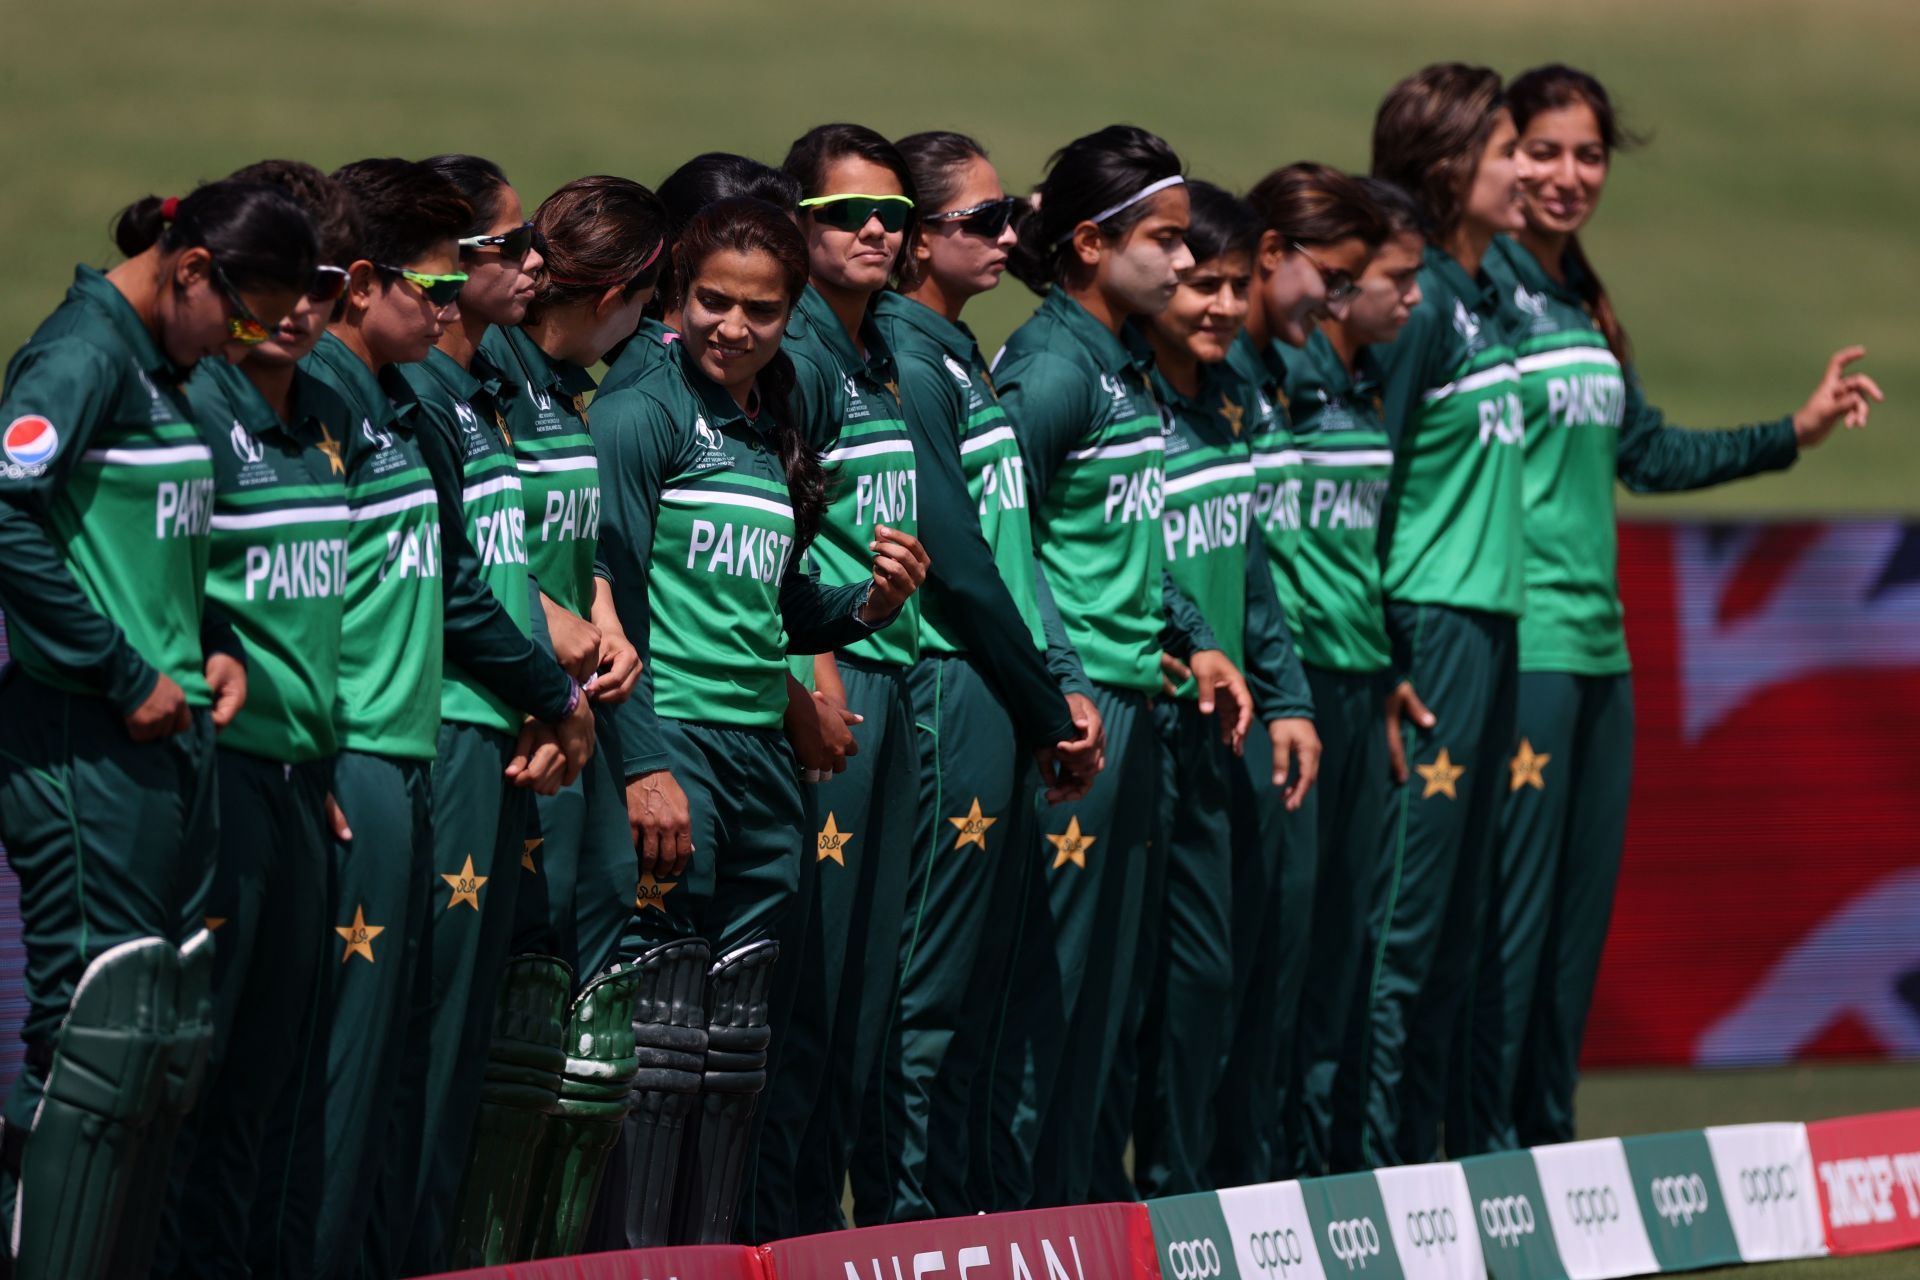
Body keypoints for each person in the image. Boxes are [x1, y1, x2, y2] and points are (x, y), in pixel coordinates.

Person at [1470, 65, 1881, 1154]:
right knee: (1507, 927)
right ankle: (1484, 1161)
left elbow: (1642, 455)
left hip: (1602, 653)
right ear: (1501, 158)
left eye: (1588, 154)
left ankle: (1545, 1148)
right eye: (1543, 150)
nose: (1566, 175)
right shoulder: (1473, 293)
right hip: (1521, 647)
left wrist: (1793, 431)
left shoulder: (1583, 299)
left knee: (1572, 931)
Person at [590, 196, 926, 1246]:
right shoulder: (640, 412)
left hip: (761, 759)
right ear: (676, 294)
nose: (732, 326)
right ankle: (640, 1262)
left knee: (738, 1039)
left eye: (761, 309)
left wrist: (867, 605)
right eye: (712, 302)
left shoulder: (767, 423)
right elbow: (614, 600)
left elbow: (775, 608)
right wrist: (643, 763)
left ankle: (721, 1251)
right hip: (677, 741)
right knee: (664, 1032)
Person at [0, 179, 314, 1279]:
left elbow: (160, 548)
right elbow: (7, 511)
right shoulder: (81, 357)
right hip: (86, 738)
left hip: (166, 740)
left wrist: (213, 635)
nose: (241, 343)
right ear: (191, 270)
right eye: (239, 315)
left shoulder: (166, 370)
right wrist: (122, 665)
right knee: (102, 1034)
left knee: (166, 1049)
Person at [996, 124, 1250, 1207]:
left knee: (1100, 1008)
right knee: (1042, 1003)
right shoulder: (1050, 367)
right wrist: (1060, 682)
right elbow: (997, 537)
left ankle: (1074, 1224)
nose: (1189, 265)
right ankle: (1008, 1231)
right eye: (1168, 240)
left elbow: (1127, 543)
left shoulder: (1120, 363)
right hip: (1076, 719)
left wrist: (1195, 635)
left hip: (1135, 703)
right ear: (1092, 244)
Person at [853, 129, 1104, 1224]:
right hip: (954, 686)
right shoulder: (908, 358)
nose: (1012, 235)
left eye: (1012, 217)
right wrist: (1047, 698)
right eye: (983, 221)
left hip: (1005, 690)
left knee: (986, 987)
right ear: (915, 241)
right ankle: (911, 1227)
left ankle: (964, 1221)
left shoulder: (958, 349)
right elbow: (954, 554)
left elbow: (1017, 544)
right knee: (930, 989)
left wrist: (1056, 675)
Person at [256, 157, 470, 1278]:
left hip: (404, 760)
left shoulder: (386, 396)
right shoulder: (310, 398)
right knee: (319, 1095)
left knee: (378, 1083)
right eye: (436, 290)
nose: (454, 309)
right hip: (343, 772)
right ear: (362, 282)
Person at [388, 154, 603, 1272]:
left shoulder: (480, 389)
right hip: (457, 728)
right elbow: (459, 588)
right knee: (424, 1046)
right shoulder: (419, 393)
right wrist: (552, 687)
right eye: (509, 247)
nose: (535, 263)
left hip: (511, 724)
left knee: (480, 1046)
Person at [449, 174, 665, 1266]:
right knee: (515, 1033)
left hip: (565, 719)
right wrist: (550, 637)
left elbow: (566, 545)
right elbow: (470, 544)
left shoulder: (554, 389)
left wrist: (602, 611)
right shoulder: (485, 377)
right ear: (622, 291)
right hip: (504, 730)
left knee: (577, 1049)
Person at [155, 161, 356, 1280]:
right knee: (200, 1077)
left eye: (322, 286)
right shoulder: (193, 406)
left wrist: (319, 754)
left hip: (298, 783)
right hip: (217, 776)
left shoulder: (326, 415)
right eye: (275, 286)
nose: (296, 312)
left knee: (272, 1085)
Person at [1341, 62, 1532, 1169]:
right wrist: (1389, 651)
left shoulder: (1491, 288)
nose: (1527, 169)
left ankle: (1435, 1180)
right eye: (1507, 148)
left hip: (1494, 623)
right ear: (1451, 162)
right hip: (1429, 626)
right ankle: (1370, 1189)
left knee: (1462, 930)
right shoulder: (1420, 308)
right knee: (1401, 931)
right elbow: (1375, 483)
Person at [1126, 179, 1315, 1197]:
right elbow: (1099, 560)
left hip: (1216, 732)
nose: (1223, 307)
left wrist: (1289, 698)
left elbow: (1247, 567)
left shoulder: (1230, 392)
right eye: (1202, 284)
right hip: (1126, 724)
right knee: (1119, 993)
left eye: (1239, 286)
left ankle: (1180, 1199)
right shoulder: (1118, 399)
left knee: (1206, 981)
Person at [757, 122, 926, 1239]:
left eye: (893, 215)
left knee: (863, 1001)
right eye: (844, 214)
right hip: (834, 693)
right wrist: (812, 683)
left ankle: (825, 1232)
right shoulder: (802, 361)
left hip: (891, 679)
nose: (875, 230)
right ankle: (785, 1234)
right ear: (794, 226)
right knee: (810, 1005)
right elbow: (770, 551)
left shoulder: (880, 351)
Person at [1211, 162, 1382, 1186]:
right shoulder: (1207, 368)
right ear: (1274, 254)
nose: (1340, 300)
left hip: (1295, 692)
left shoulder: (1289, 370)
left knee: (1299, 955)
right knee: (1230, 968)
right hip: (1223, 697)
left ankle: (1280, 1179)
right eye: (1335, 273)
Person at [1268, 175, 1425, 1177]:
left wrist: (1393, 671)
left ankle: (1331, 1182)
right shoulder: (1262, 381)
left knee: (1346, 948)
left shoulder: (1366, 385)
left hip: (1361, 687)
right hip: (1294, 691)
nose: (1406, 298)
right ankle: (1264, 1174)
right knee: (1280, 951)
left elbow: (1367, 548)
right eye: (1388, 280)